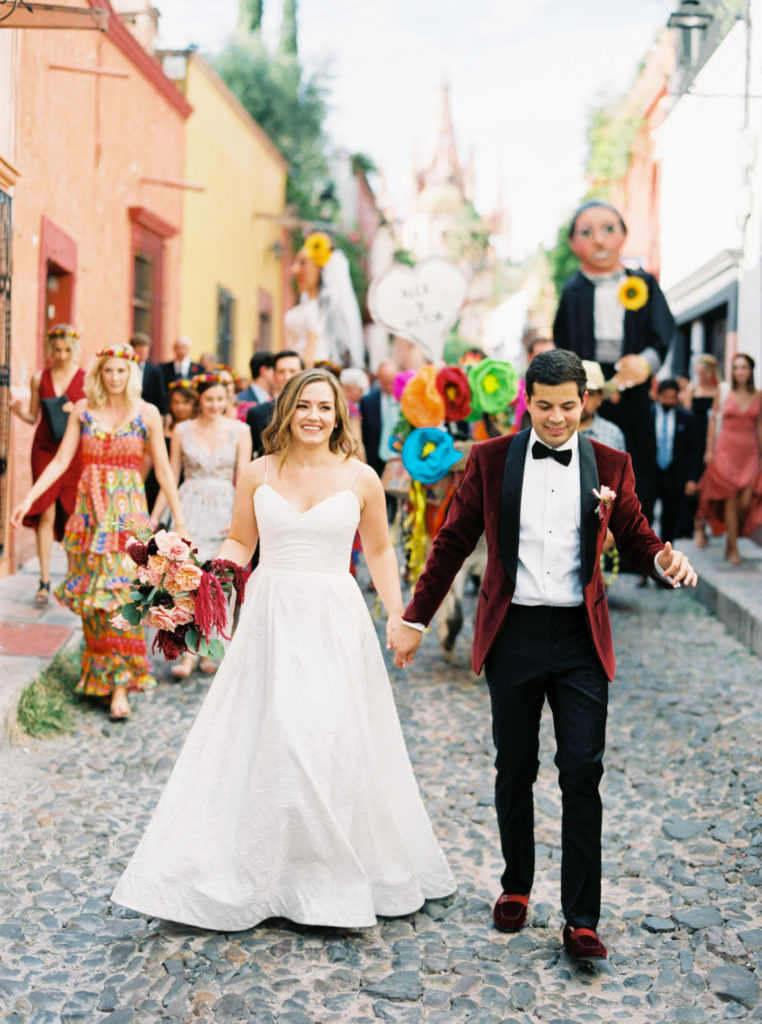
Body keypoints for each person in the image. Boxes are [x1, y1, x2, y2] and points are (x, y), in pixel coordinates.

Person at [111, 368, 455, 929]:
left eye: (325, 407)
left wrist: (399, 613)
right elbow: (242, 539)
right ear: (287, 413)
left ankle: (328, 872)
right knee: (276, 731)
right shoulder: (258, 472)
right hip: (272, 613)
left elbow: (381, 551)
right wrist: (201, 579)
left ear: (338, 416)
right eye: (304, 406)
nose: (315, 417)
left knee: (329, 735)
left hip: (334, 617)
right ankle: (272, 872)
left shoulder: (361, 477)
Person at [389, 349, 697, 960]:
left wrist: (664, 559)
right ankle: (516, 886)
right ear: (526, 402)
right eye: (544, 406)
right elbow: (453, 541)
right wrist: (415, 618)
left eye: (567, 406)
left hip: (582, 639)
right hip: (516, 633)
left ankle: (582, 919)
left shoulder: (611, 463)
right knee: (515, 766)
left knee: (583, 769)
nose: (556, 419)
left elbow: (635, 536)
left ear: (585, 401)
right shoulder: (490, 459)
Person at [10, 345, 186, 721]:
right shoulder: (83, 412)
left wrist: (179, 519)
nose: (115, 378)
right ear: (99, 374)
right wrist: (29, 498)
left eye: (121, 371)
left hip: (128, 523)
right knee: (94, 601)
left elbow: (164, 470)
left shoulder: (148, 413)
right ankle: (100, 677)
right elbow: (60, 460)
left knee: (124, 598)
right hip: (89, 521)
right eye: (108, 371)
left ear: (131, 373)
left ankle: (121, 684)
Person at [553, 199, 676, 472]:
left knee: (636, 461)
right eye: (586, 233)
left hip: (633, 386)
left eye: (608, 229)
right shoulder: (573, 290)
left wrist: (646, 362)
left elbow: (663, 329)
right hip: (589, 391)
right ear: (573, 243)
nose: (599, 240)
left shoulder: (643, 283)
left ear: (622, 235)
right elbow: (563, 338)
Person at [152, 373, 252, 678]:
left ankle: (211, 645)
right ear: (200, 400)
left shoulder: (241, 430)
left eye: (221, 399)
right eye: (209, 399)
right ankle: (186, 652)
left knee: (217, 582)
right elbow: (171, 474)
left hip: (225, 505)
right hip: (190, 505)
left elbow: (246, 477)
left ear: (228, 400)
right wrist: (156, 516)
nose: (215, 405)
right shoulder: (182, 430)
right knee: (185, 581)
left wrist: (241, 518)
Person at [11, 324, 86, 606]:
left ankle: (72, 578)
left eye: (67, 350)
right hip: (44, 449)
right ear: (49, 350)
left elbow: (93, 417)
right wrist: (19, 412)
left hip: (74, 452)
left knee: (71, 514)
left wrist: (78, 410)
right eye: (57, 350)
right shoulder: (38, 377)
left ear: (75, 350)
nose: (62, 355)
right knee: (46, 513)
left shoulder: (86, 379)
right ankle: (44, 581)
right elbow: (33, 416)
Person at [698, 352, 762, 564]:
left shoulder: (759, 395)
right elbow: (713, 422)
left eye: (743, 367)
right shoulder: (723, 391)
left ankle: (731, 538)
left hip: (750, 452)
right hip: (725, 450)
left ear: (751, 370)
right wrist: (709, 450)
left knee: (746, 500)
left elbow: (760, 427)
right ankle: (733, 548)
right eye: (736, 368)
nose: (739, 372)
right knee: (731, 500)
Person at [681, 354, 721, 545]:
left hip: (713, 441)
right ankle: (697, 526)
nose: (702, 376)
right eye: (699, 373)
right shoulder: (692, 389)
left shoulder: (719, 390)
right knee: (694, 484)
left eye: (705, 373)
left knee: (710, 485)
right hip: (693, 442)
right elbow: (687, 414)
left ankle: (705, 524)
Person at [246, 350, 303, 456]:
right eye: (281, 371)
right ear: (274, 375)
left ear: (303, 373)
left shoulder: (314, 413)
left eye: (292, 371)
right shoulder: (257, 414)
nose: (287, 377)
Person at [578, 361, 625, 450]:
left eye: (590, 394)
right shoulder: (555, 428)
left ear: (599, 398)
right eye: (579, 392)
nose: (583, 400)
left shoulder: (613, 434)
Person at [130, 332, 166, 415]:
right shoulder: (125, 369)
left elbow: (160, 395)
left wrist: (163, 414)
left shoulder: (155, 371)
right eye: (140, 352)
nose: (143, 356)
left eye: (146, 353)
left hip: (148, 412)